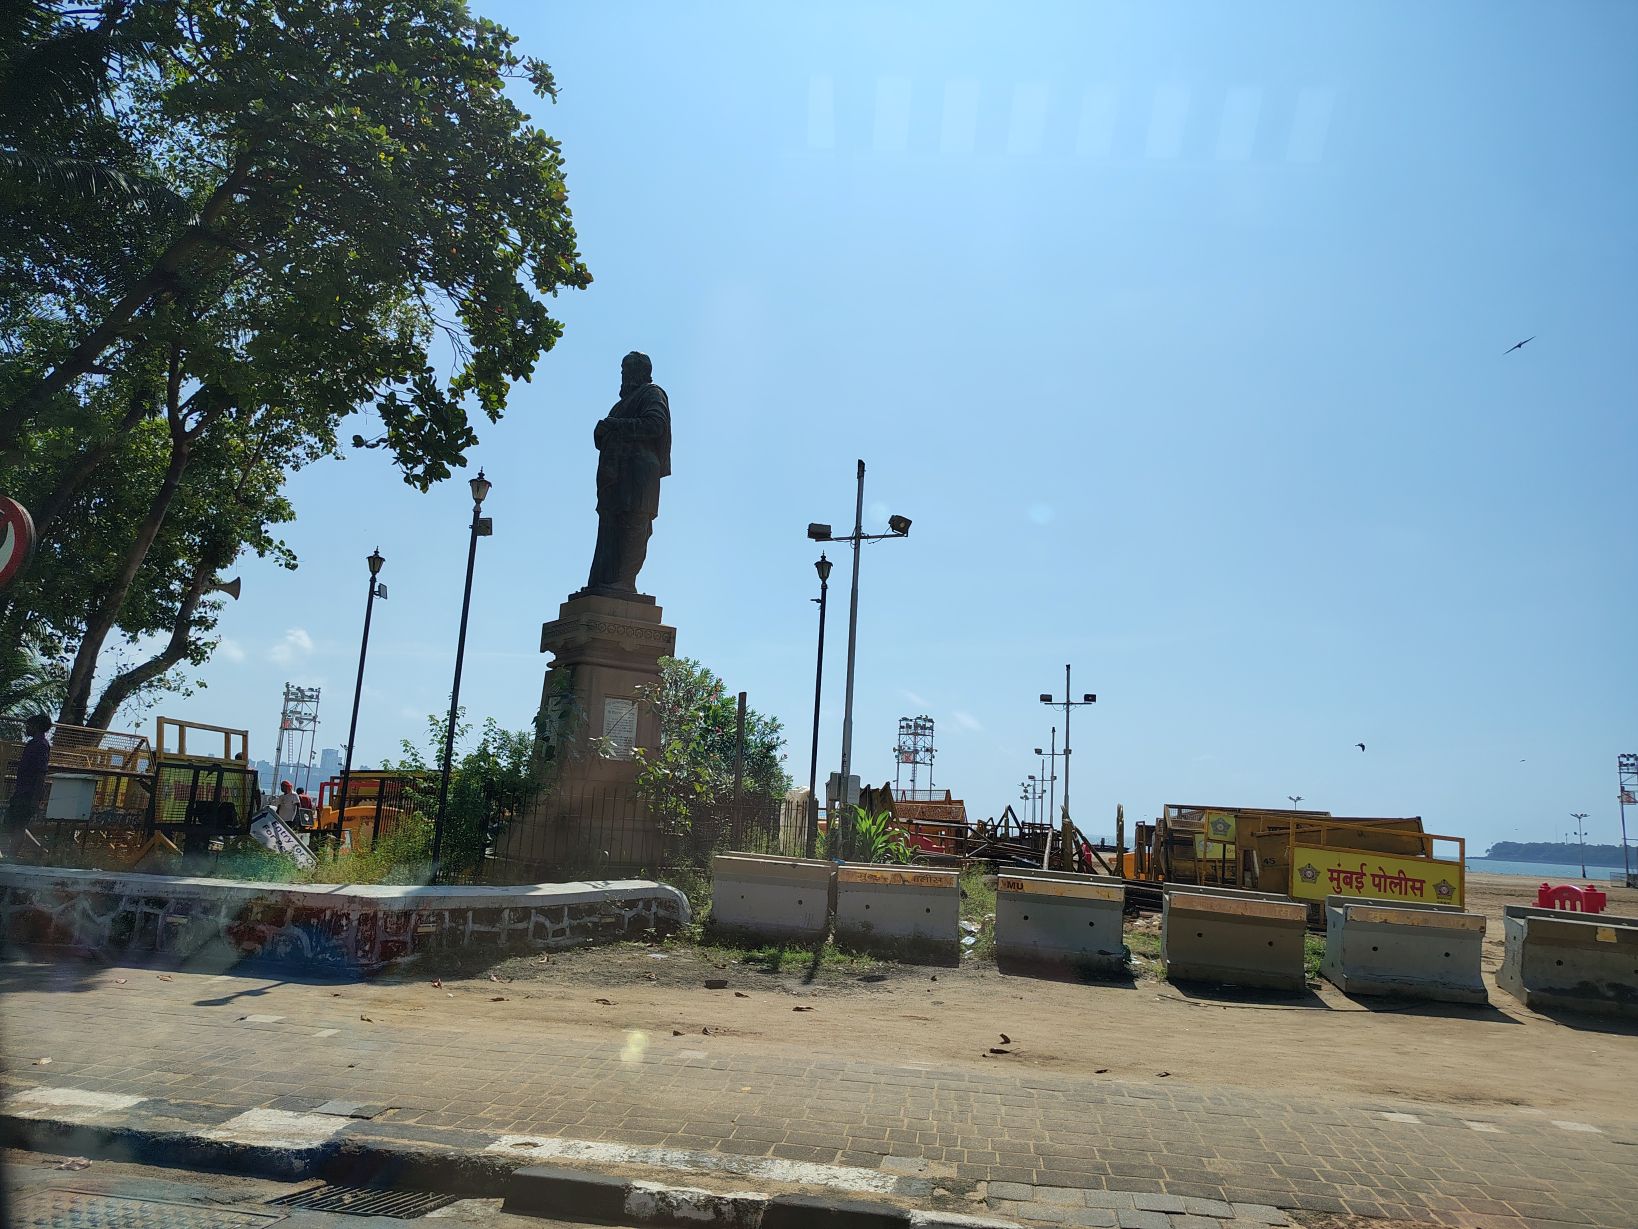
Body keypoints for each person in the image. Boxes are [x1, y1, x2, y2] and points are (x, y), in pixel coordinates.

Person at [5, 713, 53, 857]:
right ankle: (40, 851)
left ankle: (12, 856)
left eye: (29, 725)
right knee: (12, 823)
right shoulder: (33, 744)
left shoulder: (41, 745)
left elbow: (41, 772)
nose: (27, 728)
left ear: (36, 726)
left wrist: (35, 798)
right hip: (22, 790)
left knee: (19, 825)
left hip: (28, 793)